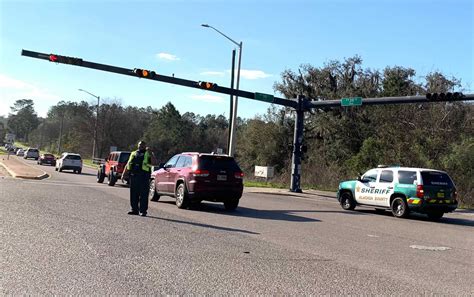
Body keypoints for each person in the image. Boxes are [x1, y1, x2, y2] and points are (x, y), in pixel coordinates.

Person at [122, 141, 152, 216]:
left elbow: (154, 163)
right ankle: (134, 209)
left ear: (145, 146)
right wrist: (123, 174)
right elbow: (128, 164)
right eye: (139, 145)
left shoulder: (148, 153)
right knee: (134, 194)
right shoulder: (133, 153)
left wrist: (151, 154)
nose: (141, 146)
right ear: (137, 145)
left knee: (143, 195)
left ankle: (143, 211)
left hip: (144, 177)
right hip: (134, 176)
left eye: (142, 145)